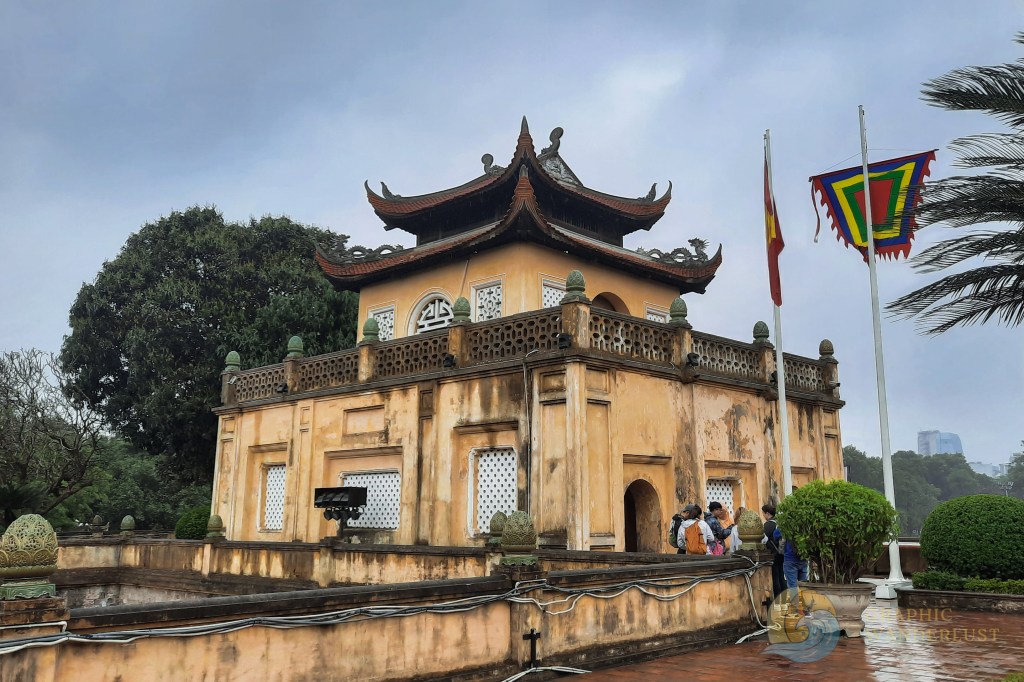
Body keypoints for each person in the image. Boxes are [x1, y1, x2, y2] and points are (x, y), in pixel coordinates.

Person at [761, 503, 786, 596]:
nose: (763, 516)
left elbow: (763, 539)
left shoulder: (768, 525)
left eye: (763, 513)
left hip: (773, 553)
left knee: (775, 577)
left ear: (767, 513)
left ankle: (778, 598)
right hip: (781, 552)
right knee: (781, 576)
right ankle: (784, 598)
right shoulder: (779, 522)